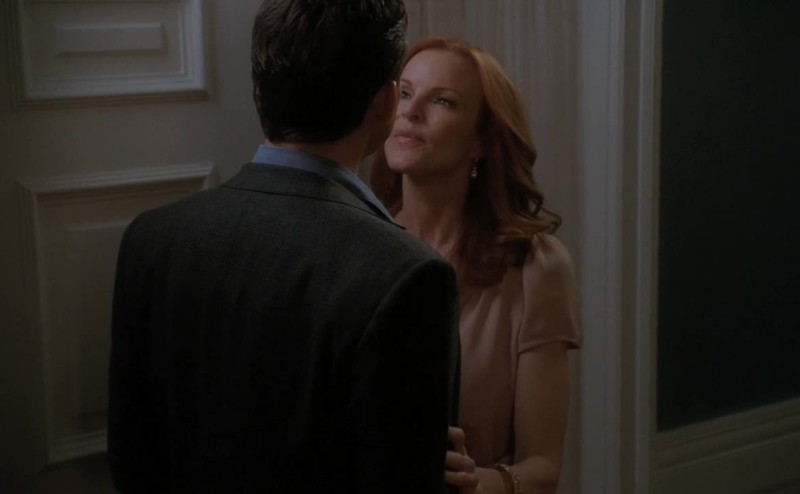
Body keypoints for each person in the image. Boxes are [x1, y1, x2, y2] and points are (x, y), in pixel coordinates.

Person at [107, 3, 463, 493]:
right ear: (385, 103)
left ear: (260, 89)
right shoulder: (409, 276)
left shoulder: (150, 240)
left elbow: (131, 462)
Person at [371, 37, 582, 494]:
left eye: (442, 101)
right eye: (405, 93)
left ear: (481, 140)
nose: (410, 112)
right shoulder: (360, 248)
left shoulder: (536, 268)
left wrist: (478, 482)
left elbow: (543, 466)